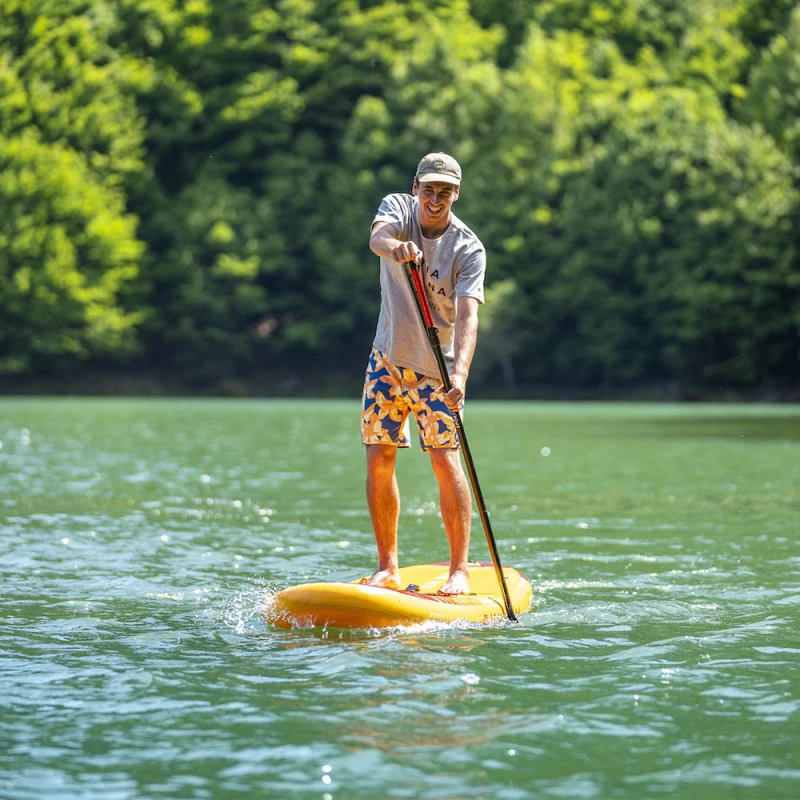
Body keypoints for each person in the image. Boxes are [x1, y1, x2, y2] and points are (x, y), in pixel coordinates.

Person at [361, 152, 487, 595]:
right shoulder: (397, 208)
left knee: (445, 460)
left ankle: (459, 570)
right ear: (415, 188)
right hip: (386, 359)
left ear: (457, 194)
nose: (436, 199)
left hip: (438, 370)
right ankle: (387, 567)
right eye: (429, 189)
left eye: (445, 192)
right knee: (379, 456)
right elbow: (378, 238)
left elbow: (469, 317)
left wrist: (461, 377)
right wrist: (395, 247)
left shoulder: (468, 248)